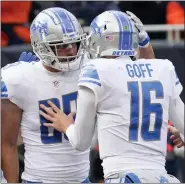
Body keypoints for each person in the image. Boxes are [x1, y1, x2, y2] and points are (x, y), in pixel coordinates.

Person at [39, 10, 184, 183]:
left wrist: (66, 125)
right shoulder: (164, 68)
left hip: (122, 177)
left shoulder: (96, 70)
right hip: (162, 177)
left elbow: (81, 142)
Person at [1, 7, 89, 183]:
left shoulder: (89, 67)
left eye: (74, 43)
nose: (71, 50)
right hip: (39, 179)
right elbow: (8, 143)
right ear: (42, 46)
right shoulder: (19, 78)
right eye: (63, 46)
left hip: (82, 178)